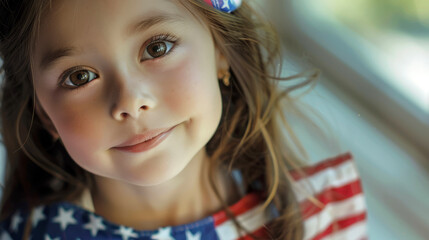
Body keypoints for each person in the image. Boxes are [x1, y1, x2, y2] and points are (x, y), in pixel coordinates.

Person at [0, 0, 367, 239]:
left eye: (156, 48)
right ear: (43, 113)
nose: (130, 101)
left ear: (220, 51)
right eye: (79, 77)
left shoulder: (319, 218)